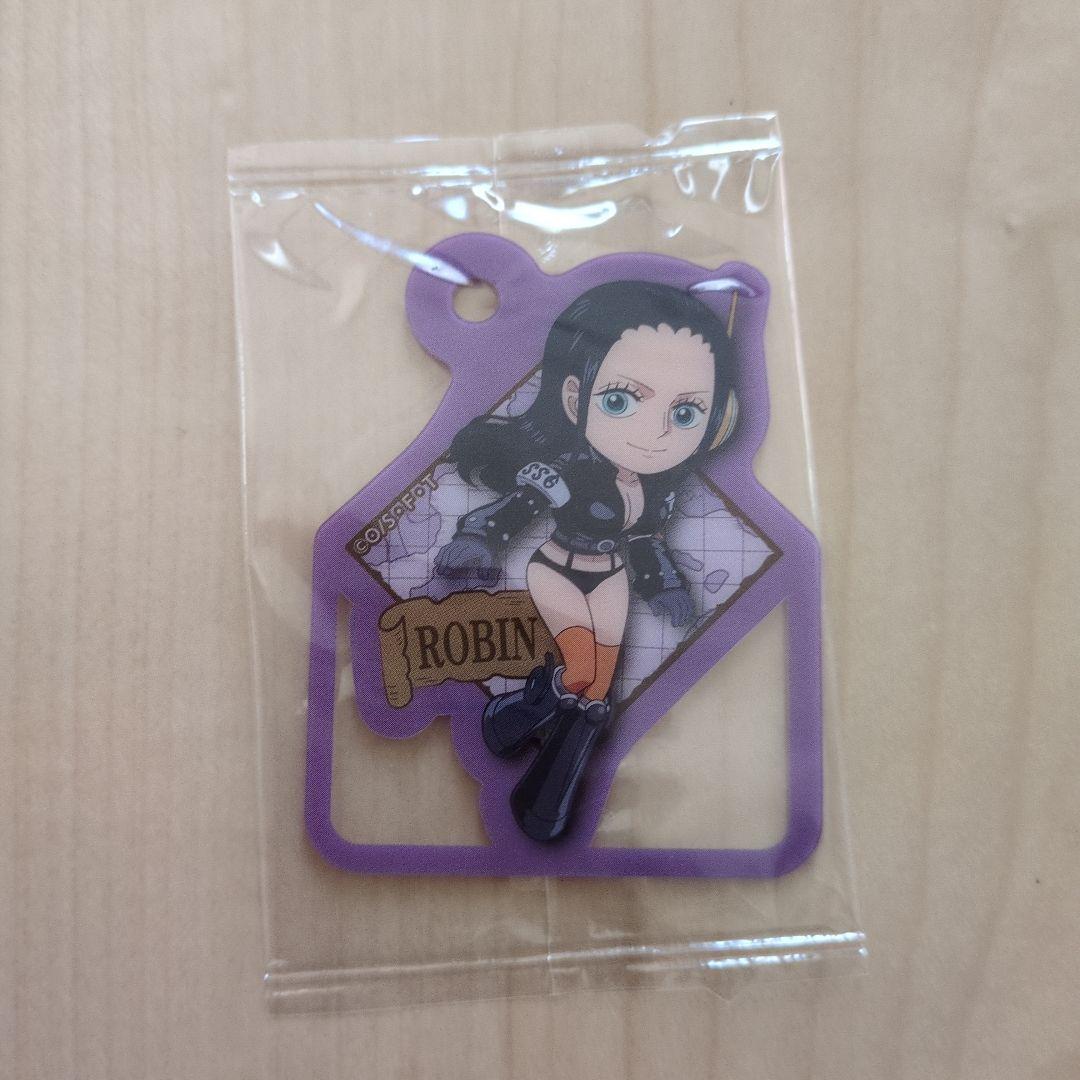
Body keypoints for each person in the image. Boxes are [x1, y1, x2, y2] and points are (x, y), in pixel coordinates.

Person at [435, 280, 739, 840]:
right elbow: (518, 508)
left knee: (598, 695)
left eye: (686, 412)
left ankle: (542, 787)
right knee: (579, 673)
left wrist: (666, 587)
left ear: (716, 419)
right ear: (576, 398)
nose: (655, 434)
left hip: (611, 579)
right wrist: (479, 540)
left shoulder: (659, 493)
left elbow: (645, 544)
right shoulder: (569, 469)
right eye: (621, 400)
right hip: (558, 570)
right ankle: (509, 725)